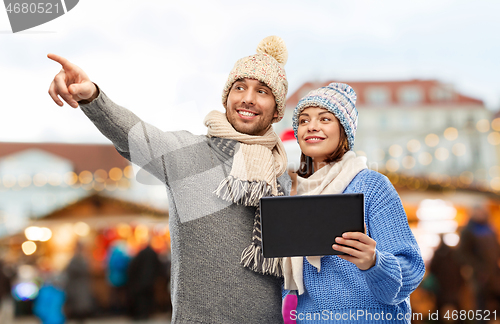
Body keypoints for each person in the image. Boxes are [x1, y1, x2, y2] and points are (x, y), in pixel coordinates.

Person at [47, 36, 291, 323]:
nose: (248, 97)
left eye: (262, 91)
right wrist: (92, 96)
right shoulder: (190, 155)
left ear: (276, 111)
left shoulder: (282, 178)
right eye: (240, 87)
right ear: (227, 98)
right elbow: (134, 135)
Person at [281, 83, 425, 323]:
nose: (311, 126)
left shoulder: (371, 186)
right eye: (304, 120)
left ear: (344, 131)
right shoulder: (292, 196)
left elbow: (411, 270)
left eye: (325, 119)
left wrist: (374, 262)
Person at [457, 205, 500, 318]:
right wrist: (478, 267)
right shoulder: (468, 230)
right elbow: (462, 254)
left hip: (494, 273)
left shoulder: (489, 228)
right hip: (480, 275)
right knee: (481, 305)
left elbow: (496, 247)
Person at [127, 243, 162, 320]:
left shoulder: (141, 254)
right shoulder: (153, 254)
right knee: (149, 297)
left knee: (141, 298)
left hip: (141, 280)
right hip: (151, 280)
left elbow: (133, 266)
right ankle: (147, 313)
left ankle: (141, 313)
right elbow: (159, 266)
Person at [64, 242, 94, 322]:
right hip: (78, 288)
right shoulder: (77, 260)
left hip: (79, 288)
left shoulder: (78, 259)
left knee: (80, 309)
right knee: (79, 308)